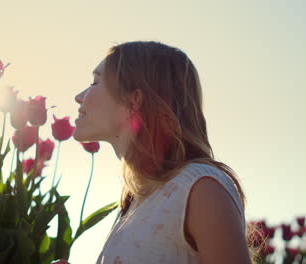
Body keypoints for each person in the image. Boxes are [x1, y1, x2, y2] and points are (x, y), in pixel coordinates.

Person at [72, 41, 257, 263]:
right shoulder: (137, 201)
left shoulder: (200, 188)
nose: (79, 96)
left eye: (95, 82)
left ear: (134, 100)